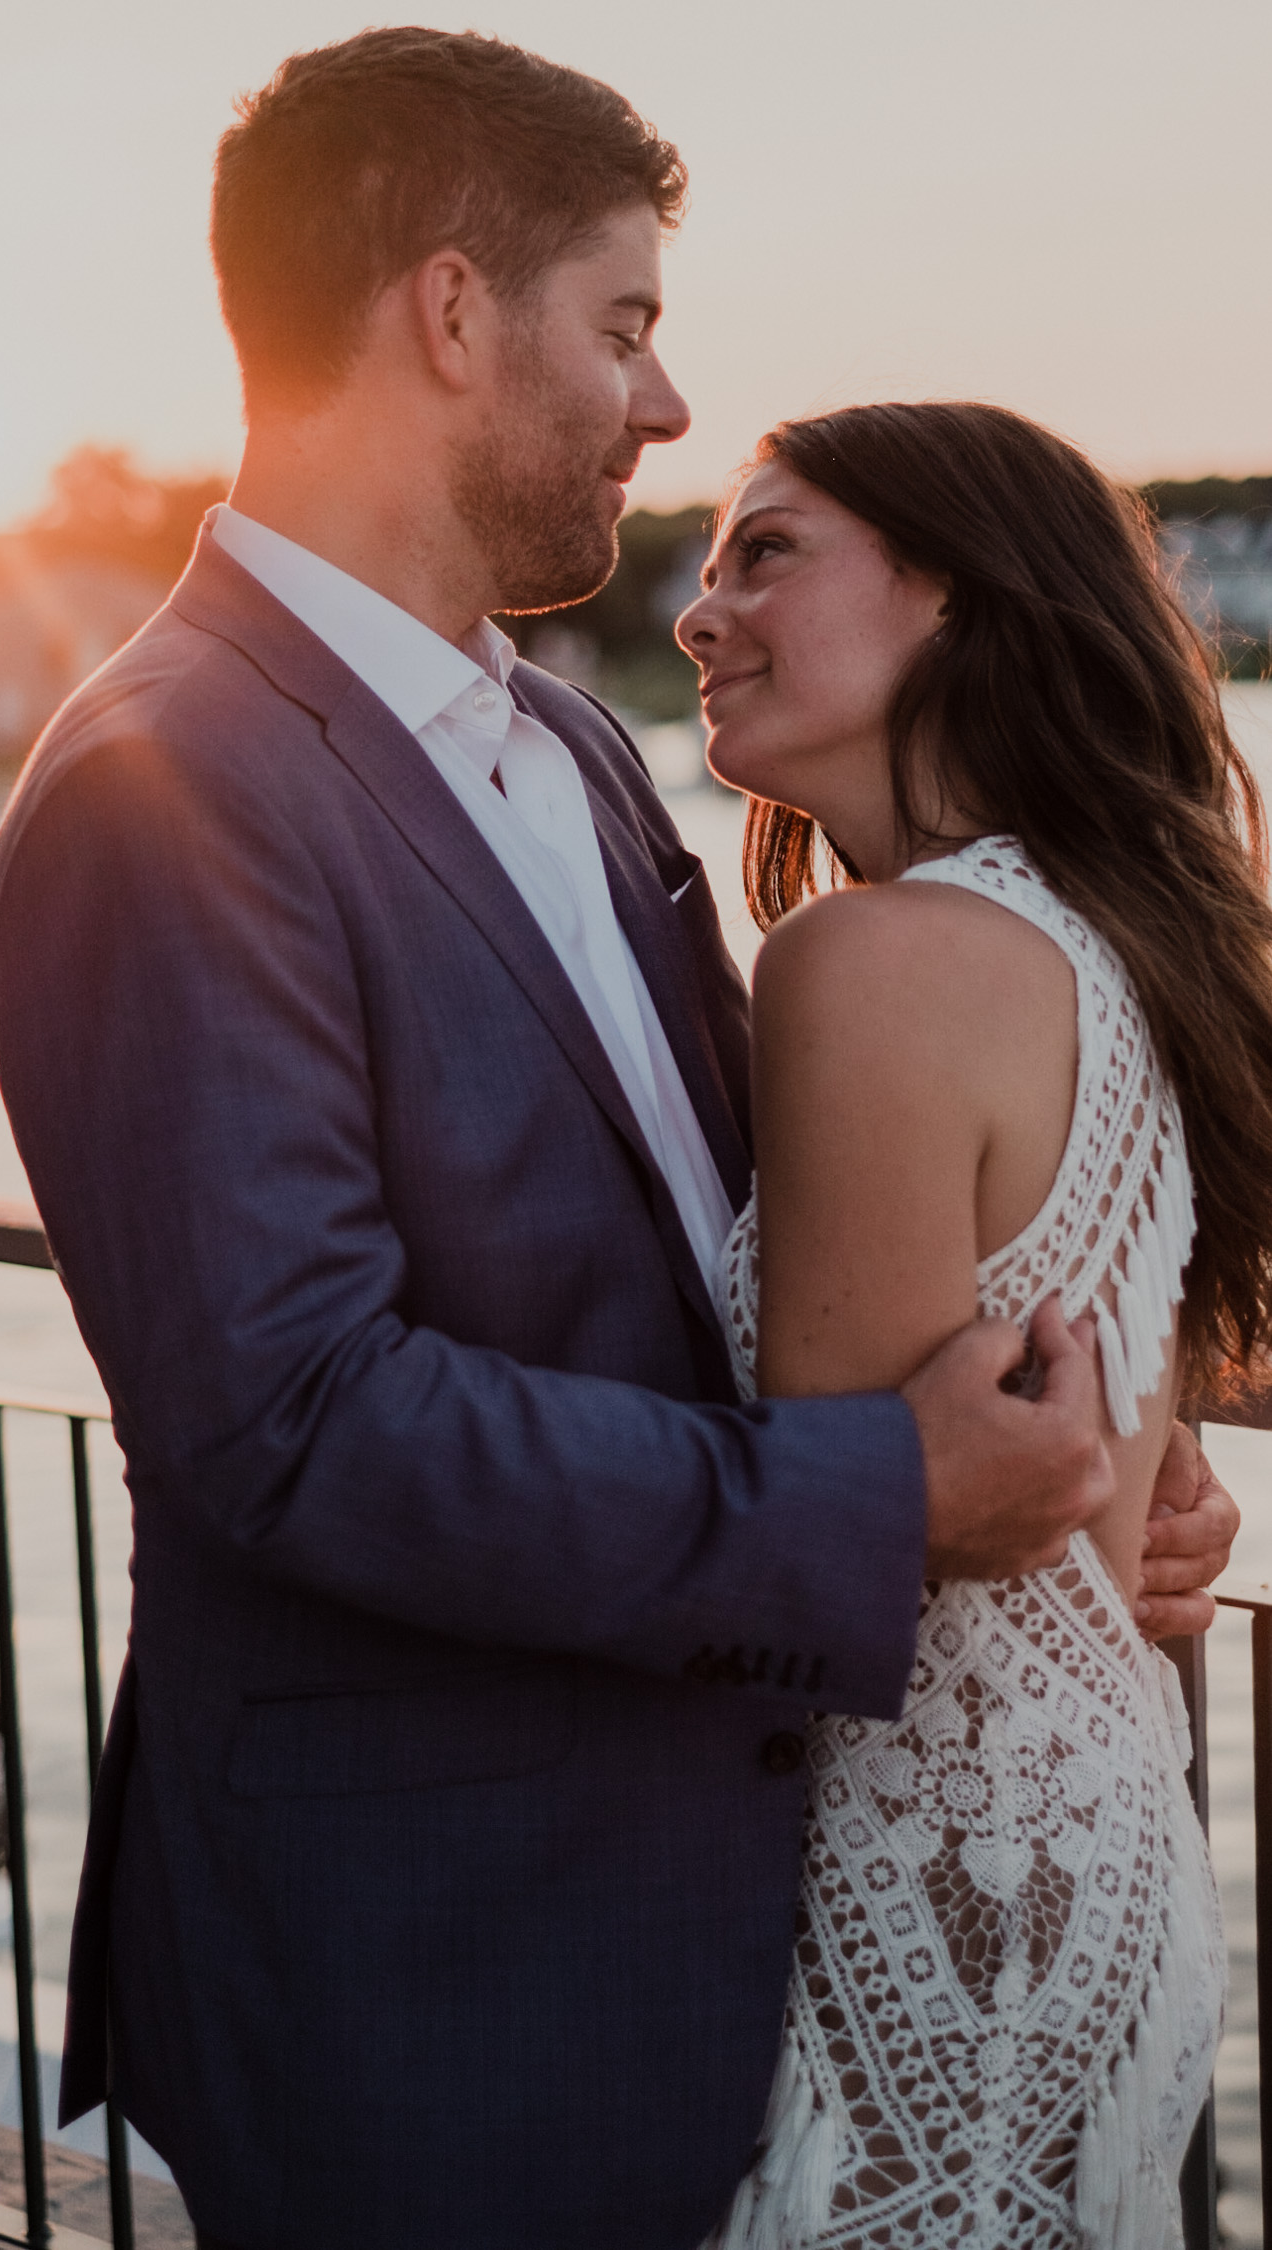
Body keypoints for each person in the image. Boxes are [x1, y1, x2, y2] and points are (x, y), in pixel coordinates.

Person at [0, 32, 1235, 2250]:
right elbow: (287, 1414)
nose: (664, 405)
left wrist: (1108, 1465)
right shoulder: (160, 785)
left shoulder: (561, 741)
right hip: (455, 1956)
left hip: (745, 1916)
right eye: (626, 323)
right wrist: (885, 1501)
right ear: (453, 319)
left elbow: (730, 1238)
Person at [677, 400, 1268, 2248]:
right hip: (1095, 1863)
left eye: (764, 551)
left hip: (921, 1891)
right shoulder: (1120, 934)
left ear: (958, 593)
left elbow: (849, 1519)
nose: (698, 613)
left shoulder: (871, 958)